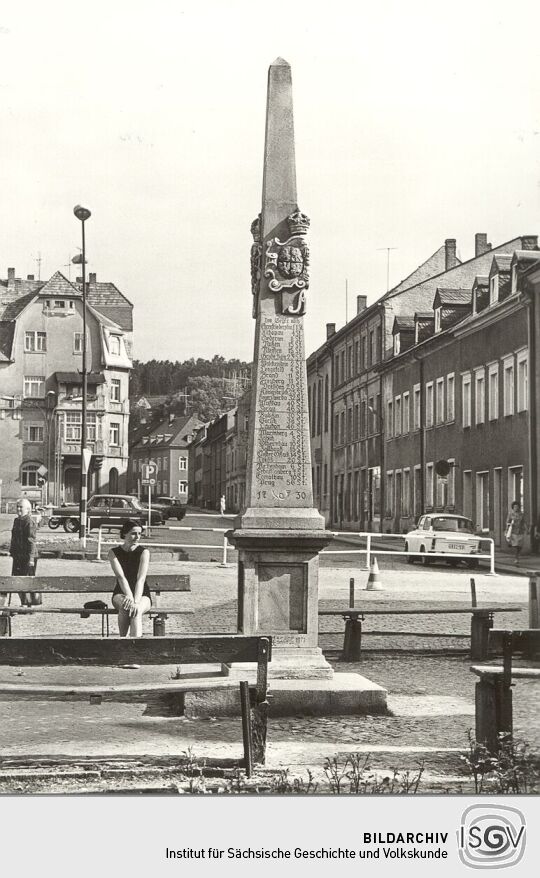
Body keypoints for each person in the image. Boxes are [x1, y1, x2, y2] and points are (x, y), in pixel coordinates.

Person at [108, 520, 151, 637]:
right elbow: (121, 577)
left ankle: (134, 648)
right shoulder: (113, 553)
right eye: (133, 533)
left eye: (139, 534)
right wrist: (129, 597)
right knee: (125, 607)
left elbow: (141, 579)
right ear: (125, 533)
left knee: (135, 611)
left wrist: (135, 601)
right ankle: (123, 642)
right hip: (120, 593)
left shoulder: (144, 552)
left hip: (142, 594)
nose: (137, 537)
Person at [10, 497, 40, 607]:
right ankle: (24, 602)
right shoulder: (16, 520)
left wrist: (31, 559)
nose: (18, 509)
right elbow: (14, 538)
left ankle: (29, 605)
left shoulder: (29, 521)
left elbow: (31, 541)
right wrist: (12, 552)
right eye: (17, 506)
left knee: (26, 580)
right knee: (17, 579)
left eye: (21, 507)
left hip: (28, 556)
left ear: (27, 509)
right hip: (18, 556)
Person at [505, 501, 528, 567]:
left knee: (519, 546)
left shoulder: (521, 514)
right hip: (513, 531)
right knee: (515, 545)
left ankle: (517, 555)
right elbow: (507, 522)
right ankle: (516, 558)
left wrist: (527, 529)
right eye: (515, 507)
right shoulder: (510, 514)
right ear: (513, 507)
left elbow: (524, 522)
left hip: (520, 531)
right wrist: (507, 530)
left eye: (517, 507)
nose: (516, 508)